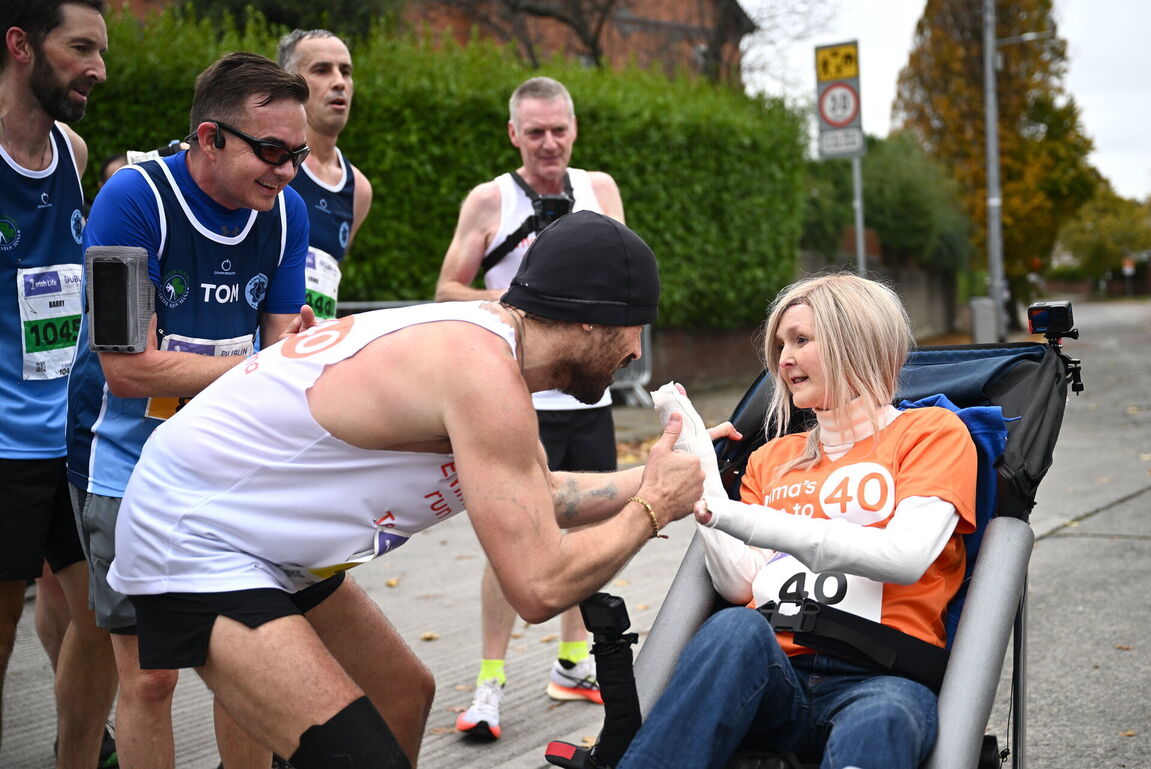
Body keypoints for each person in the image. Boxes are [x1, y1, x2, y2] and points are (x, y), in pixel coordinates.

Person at [104, 211, 710, 769]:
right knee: (363, 757)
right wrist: (653, 507)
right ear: (589, 315)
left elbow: (538, 491)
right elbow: (538, 585)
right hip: (192, 537)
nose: (636, 350)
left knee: (403, 695)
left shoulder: (489, 350)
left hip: (260, 540)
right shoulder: (483, 375)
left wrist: (665, 473)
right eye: (635, 325)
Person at [619, 273, 978, 769]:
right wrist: (700, 463)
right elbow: (739, 581)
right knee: (730, 630)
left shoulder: (932, 433)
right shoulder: (772, 458)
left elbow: (905, 557)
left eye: (802, 341)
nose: (783, 360)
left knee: (884, 720)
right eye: (781, 344)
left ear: (857, 341)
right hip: (774, 670)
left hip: (880, 677)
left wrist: (738, 517)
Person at [65, 51, 312, 768]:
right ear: (209, 138)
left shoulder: (286, 212)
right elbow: (128, 368)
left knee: (247, 671)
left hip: (227, 466)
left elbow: (281, 362)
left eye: (296, 154)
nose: (288, 171)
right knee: (149, 678)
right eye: (271, 151)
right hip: (122, 461)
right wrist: (262, 369)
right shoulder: (131, 200)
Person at [435, 75, 625, 739]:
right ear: (514, 134)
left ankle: (574, 663)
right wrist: (519, 307)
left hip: (588, 393)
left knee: (589, 535)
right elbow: (445, 287)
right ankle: (489, 680)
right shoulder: (492, 198)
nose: (549, 143)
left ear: (574, 131)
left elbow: (621, 278)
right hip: (516, 397)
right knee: (510, 533)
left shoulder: (599, 190)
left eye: (559, 130)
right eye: (535, 132)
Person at [0, 2, 118, 766]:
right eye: (80, 48)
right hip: (4, 446)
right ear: (19, 46)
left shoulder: (72, 152)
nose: (98, 70)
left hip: (75, 437)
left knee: (106, 617)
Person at [277, 28, 372, 320]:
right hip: (258, 351)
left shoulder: (359, 189)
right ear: (289, 83)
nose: (339, 82)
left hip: (314, 350)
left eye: (346, 71)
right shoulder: (266, 164)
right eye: (322, 70)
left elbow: (328, 276)